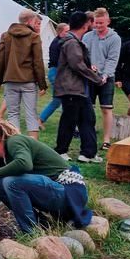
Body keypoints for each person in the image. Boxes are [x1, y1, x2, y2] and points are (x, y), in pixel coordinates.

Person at [0, 120, 92, 234]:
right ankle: (41, 224)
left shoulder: (15, 141)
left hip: (69, 193)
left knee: (11, 182)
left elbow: (25, 164)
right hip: (55, 193)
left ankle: (30, 232)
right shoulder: (1, 158)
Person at [55, 11, 103, 163]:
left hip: (78, 89)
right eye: (91, 22)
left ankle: (88, 153)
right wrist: (96, 78)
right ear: (86, 24)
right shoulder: (72, 43)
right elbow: (77, 65)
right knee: (69, 120)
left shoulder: (74, 41)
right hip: (70, 88)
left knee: (88, 118)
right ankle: (60, 151)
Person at [0, 9, 47, 139]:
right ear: (30, 21)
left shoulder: (5, 36)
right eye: (35, 21)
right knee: (31, 114)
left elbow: (0, 60)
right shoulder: (34, 36)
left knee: (13, 114)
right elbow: (38, 62)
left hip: (10, 80)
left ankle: (16, 143)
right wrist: (42, 84)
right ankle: (33, 144)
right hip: (28, 81)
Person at [83, 8, 121, 150]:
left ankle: (106, 140)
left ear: (108, 22)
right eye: (96, 23)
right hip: (90, 76)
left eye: (101, 23)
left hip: (107, 77)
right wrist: (89, 66)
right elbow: (84, 55)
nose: (98, 26)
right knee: (89, 108)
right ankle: (89, 136)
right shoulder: (87, 37)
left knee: (106, 109)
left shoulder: (115, 38)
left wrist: (105, 75)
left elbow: (113, 59)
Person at [38, 23, 70, 129]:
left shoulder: (61, 42)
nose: (68, 33)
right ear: (60, 32)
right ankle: (41, 120)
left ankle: (42, 120)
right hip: (56, 73)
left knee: (59, 100)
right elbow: (58, 61)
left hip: (57, 72)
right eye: (66, 31)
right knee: (60, 99)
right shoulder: (57, 44)